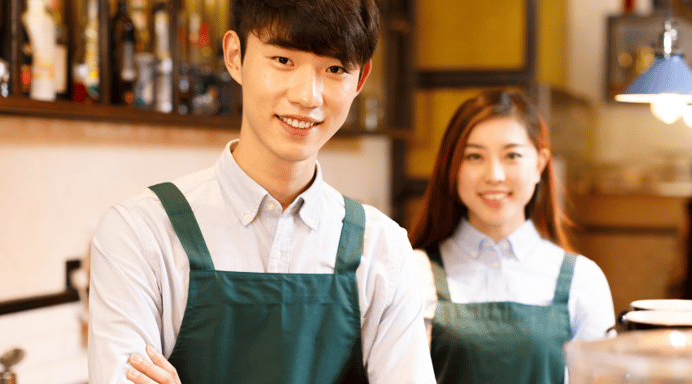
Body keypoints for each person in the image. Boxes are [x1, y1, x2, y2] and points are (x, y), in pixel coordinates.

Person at [87, 0, 435, 383]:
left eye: (335, 69)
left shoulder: (382, 249)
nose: (307, 96)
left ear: (361, 79)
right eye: (283, 60)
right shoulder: (141, 233)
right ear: (235, 56)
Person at [409, 90, 615, 384]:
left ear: (540, 164)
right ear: (452, 168)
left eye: (512, 155)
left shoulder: (582, 280)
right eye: (474, 156)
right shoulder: (413, 273)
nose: (494, 175)